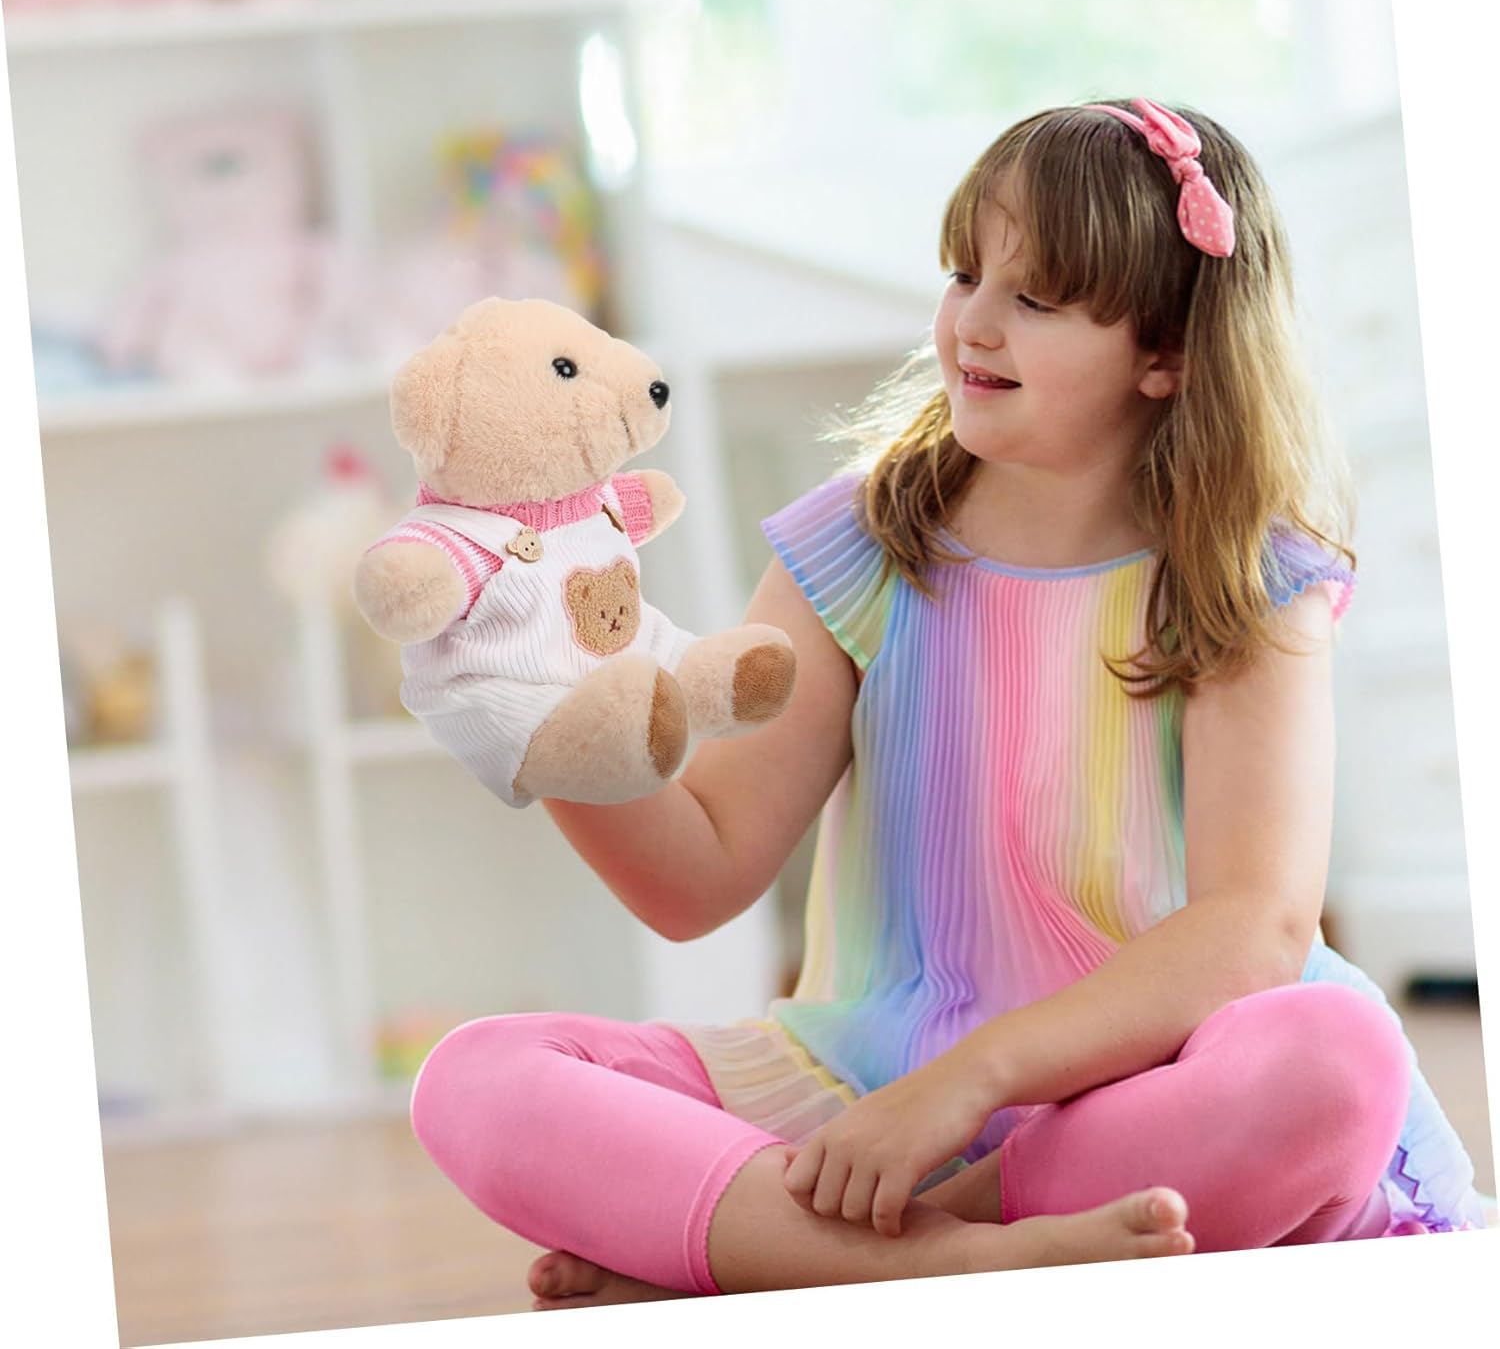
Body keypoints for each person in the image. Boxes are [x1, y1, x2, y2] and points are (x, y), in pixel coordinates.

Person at [408, 97, 1487, 1311]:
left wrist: (971, 1082)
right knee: (480, 1077)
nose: (972, 321)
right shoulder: (860, 543)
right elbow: (696, 875)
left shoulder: (1250, 581)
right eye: (966, 272)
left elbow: (1254, 929)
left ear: (1167, 353)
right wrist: (541, 710)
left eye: (1037, 298)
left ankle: (789, 1256)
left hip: (1142, 1087)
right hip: (859, 1089)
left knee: (1333, 1061)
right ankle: (955, 1262)